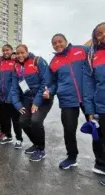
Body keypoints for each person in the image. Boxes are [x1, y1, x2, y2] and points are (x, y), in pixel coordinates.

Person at [49, 33, 89, 169]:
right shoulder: (54, 62)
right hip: (67, 99)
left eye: (60, 41)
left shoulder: (81, 50)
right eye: (54, 43)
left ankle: (101, 162)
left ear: (66, 41)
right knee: (69, 129)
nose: (57, 44)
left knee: (98, 128)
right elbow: (52, 82)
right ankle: (72, 157)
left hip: (87, 97)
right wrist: (50, 92)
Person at [11, 44, 53, 162]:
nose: (20, 55)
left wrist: (37, 102)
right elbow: (14, 88)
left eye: (22, 53)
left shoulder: (37, 61)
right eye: (18, 53)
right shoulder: (16, 67)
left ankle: (41, 149)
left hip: (43, 99)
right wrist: (17, 104)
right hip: (27, 99)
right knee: (23, 121)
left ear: (27, 52)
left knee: (36, 121)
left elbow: (46, 82)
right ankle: (36, 144)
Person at [83, 22, 105, 176]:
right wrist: (89, 110)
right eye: (99, 33)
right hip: (100, 105)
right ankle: (101, 164)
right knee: (99, 137)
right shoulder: (92, 56)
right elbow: (89, 85)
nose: (103, 35)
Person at [0, 44, 23, 148]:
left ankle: (19, 139)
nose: (6, 52)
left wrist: (12, 97)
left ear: (12, 51)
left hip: (13, 98)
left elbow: (16, 82)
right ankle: (8, 136)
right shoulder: (1, 64)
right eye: (4, 50)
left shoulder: (16, 63)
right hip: (2, 97)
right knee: (5, 119)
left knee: (16, 120)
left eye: (8, 50)